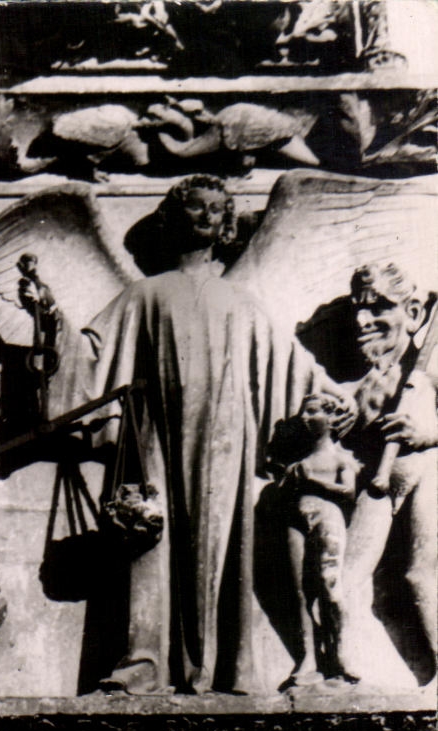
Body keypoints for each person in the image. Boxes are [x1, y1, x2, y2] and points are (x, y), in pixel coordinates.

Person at [76, 175, 325, 695]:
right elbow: (89, 359)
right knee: (149, 536)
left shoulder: (242, 301)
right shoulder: (145, 294)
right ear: (174, 217)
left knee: (223, 543)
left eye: (217, 208)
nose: (207, 217)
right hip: (155, 435)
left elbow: (290, 367)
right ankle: (144, 662)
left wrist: (327, 399)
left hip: (225, 438)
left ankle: (226, 667)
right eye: (195, 207)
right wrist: (49, 325)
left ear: (228, 221)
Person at [337, 262, 436, 685]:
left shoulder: (426, 374)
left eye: (378, 307)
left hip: (425, 478)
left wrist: (427, 433)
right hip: (377, 487)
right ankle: (355, 670)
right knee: (346, 580)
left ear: (413, 314)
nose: (363, 320)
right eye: (357, 309)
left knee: (421, 574)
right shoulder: (359, 386)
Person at [268, 394, 361, 689]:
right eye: (303, 413)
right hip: (297, 522)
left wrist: (312, 482)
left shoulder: (340, 458)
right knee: (300, 592)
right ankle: (308, 657)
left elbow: (348, 492)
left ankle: (340, 653)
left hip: (328, 519)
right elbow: (282, 496)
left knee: (330, 587)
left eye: (312, 412)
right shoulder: (300, 462)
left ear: (332, 418)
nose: (306, 418)